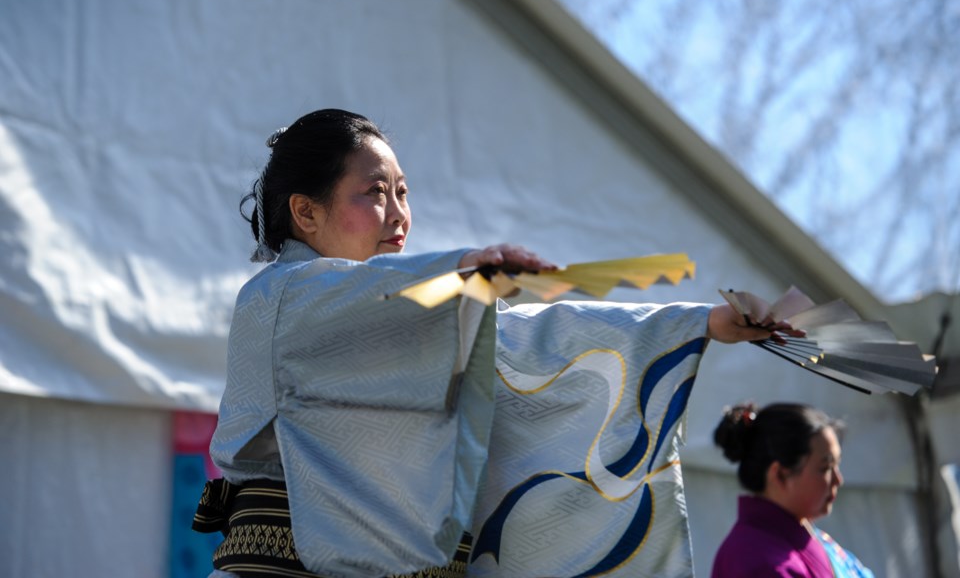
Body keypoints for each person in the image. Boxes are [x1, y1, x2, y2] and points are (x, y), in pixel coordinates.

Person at [193, 108, 797, 578]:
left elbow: (531, 344)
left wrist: (702, 324)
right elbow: (369, 300)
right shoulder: (280, 300)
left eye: (403, 192)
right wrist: (462, 272)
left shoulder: (416, 314)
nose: (399, 215)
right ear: (305, 212)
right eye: (375, 192)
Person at [711, 402, 875, 578]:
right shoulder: (759, 563)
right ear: (780, 475)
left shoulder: (805, 535)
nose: (838, 480)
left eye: (837, 465)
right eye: (825, 468)